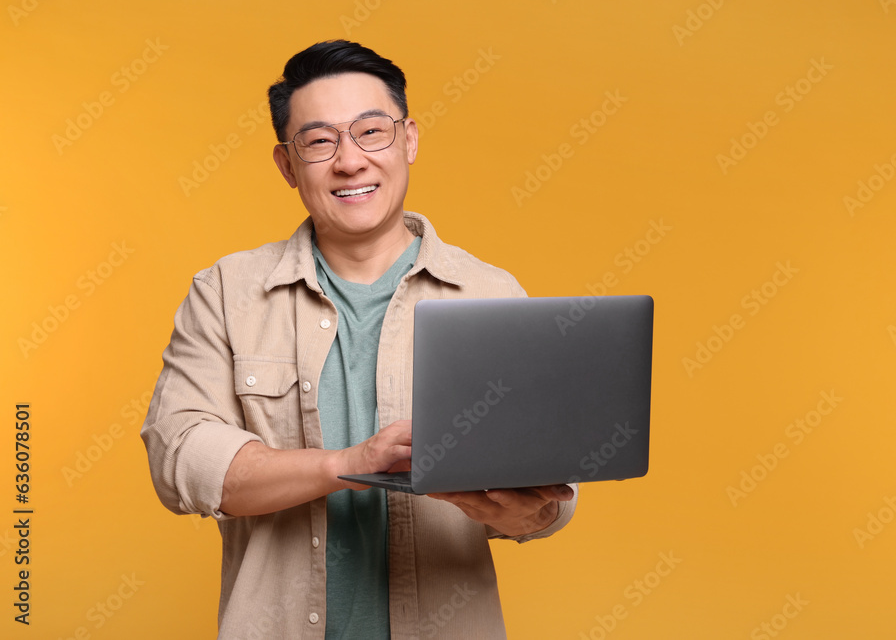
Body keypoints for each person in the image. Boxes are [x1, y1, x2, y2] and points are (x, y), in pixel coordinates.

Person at [141, 39, 577, 639]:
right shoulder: (226, 291)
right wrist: (347, 465)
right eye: (320, 142)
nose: (350, 161)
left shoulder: (491, 293)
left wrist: (531, 510)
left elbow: (551, 495)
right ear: (287, 165)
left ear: (409, 140)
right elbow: (181, 458)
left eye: (372, 131)